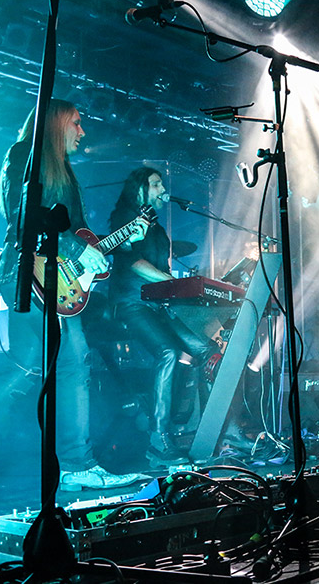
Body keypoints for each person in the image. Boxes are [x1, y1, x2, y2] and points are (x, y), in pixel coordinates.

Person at [0, 99, 148, 491]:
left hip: (56, 282)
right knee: (37, 369)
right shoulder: (24, 155)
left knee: (61, 365)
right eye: (76, 123)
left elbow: (76, 231)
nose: (82, 131)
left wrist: (115, 244)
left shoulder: (65, 172)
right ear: (57, 123)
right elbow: (23, 218)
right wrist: (80, 251)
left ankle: (76, 465)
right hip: (29, 277)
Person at [108, 167, 216, 468]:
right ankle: (158, 439)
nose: (161, 188)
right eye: (155, 184)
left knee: (209, 351)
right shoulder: (123, 217)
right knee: (168, 352)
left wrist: (176, 290)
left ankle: (221, 430)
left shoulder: (156, 227)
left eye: (161, 183)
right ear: (140, 188)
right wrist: (170, 281)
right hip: (132, 302)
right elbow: (132, 261)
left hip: (159, 304)